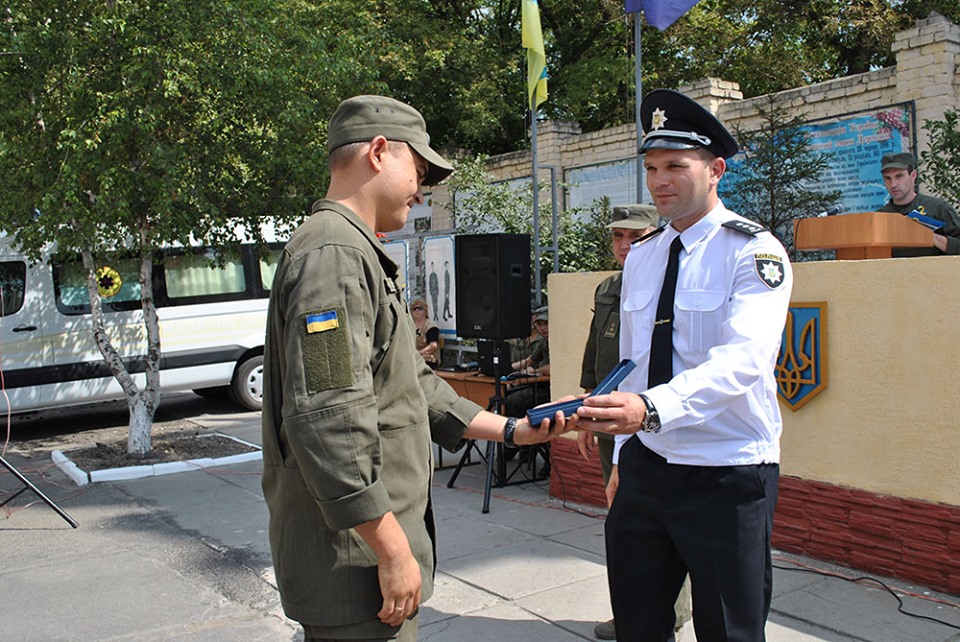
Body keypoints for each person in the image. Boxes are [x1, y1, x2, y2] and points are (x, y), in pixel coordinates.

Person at [260, 94, 565, 642]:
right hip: (353, 558)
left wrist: (513, 429)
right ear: (378, 152)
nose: (420, 190)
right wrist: (391, 547)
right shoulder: (332, 255)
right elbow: (327, 415)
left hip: (361, 549)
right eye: (417, 170)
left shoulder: (351, 250)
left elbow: (411, 382)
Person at [568, 89, 793, 641]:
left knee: (728, 631)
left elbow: (744, 361)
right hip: (647, 466)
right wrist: (623, 451)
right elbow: (634, 363)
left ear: (715, 170)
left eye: (675, 165)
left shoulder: (753, 252)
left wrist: (647, 410)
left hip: (725, 472)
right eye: (650, 168)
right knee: (638, 624)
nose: (659, 180)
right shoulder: (643, 255)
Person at [576, 204, 692, 640]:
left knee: (665, 523)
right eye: (617, 237)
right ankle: (634, 610)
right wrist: (586, 413)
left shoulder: (670, 281)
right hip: (610, 418)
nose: (625, 246)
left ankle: (671, 614)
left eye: (635, 236)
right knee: (624, 522)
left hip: (651, 417)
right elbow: (595, 354)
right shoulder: (609, 287)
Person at [878, 151, 960, 256]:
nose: (893, 184)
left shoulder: (937, 208)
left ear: (913, 176)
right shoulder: (880, 216)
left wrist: (931, 237)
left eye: (899, 176)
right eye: (887, 178)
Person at [410, 297, 440, 367]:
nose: (417, 310)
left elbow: (433, 346)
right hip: (413, 359)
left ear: (425, 311)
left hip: (428, 360)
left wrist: (418, 354)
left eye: (420, 308)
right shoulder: (410, 325)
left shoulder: (431, 327)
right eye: (414, 309)